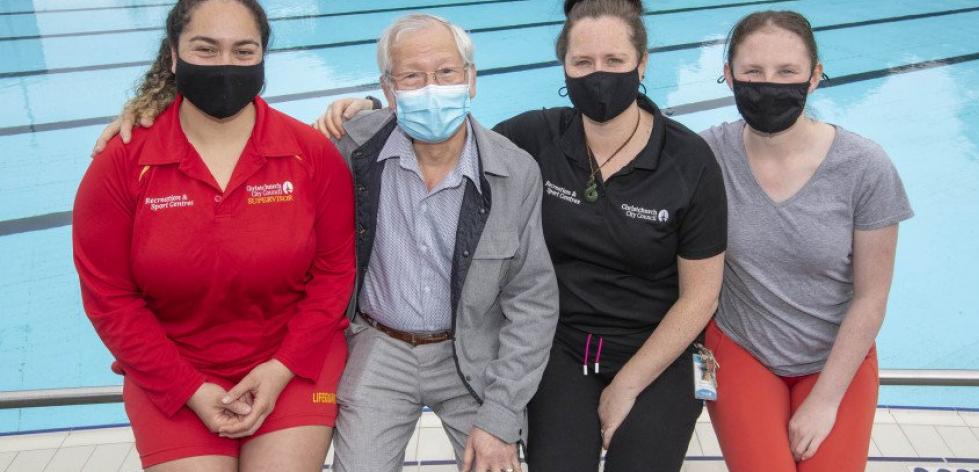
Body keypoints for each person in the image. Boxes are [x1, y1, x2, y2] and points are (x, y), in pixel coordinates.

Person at [91, 1, 722, 471]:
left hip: (470, 349)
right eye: (410, 78)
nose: (431, 89)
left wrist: (501, 420)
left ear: (471, 81)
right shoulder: (346, 149)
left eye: (446, 72)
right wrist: (143, 118)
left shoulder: (514, 166)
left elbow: (532, 301)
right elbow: (252, 139)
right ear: (389, 91)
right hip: (378, 347)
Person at [318, 1, 726, 470]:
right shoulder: (534, 138)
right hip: (542, 348)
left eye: (614, 61)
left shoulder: (685, 159)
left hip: (625, 348)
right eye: (582, 62)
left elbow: (700, 295)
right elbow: (443, 136)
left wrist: (627, 384)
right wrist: (372, 109)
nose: (599, 76)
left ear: (642, 63)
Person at [72, 0, 355, 470]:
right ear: (173, 56)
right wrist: (187, 388)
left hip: (294, 359)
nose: (226, 65)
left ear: (263, 57)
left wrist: (282, 367)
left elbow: (334, 272)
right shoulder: (122, 163)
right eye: (206, 49)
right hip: (171, 370)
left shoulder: (309, 155)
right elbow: (109, 297)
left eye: (244, 51)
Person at [698, 10, 913, 471]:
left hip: (836, 356)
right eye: (753, 72)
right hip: (742, 346)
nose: (768, 85)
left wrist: (825, 401)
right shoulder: (707, 155)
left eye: (787, 72)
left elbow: (872, 298)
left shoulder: (864, 167)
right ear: (728, 76)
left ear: (814, 77)